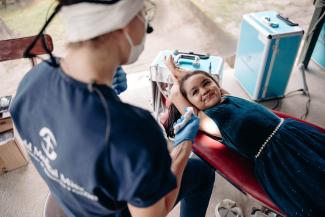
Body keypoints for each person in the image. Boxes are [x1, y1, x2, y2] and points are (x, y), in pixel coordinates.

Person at [9, 1, 215, 217]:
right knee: (201, 172)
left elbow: (71, 130)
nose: (146, 23)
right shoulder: (134, 131)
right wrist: (183, 145)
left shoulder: (30, 82)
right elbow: (152, 214)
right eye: (144, 12)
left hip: (71, 204)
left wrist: (104, 94)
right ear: (123, 23)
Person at [164, 55, 325, 217]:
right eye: (195, 92)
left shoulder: (226, 97)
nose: (204, 90)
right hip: (281, 157)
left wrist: (182, 73)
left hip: (293, 134)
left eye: (206, 83)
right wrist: (173, 76)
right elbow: (177, 96)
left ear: (217, 85)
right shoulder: (210, 121)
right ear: (191, 104)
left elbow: (203, 81)